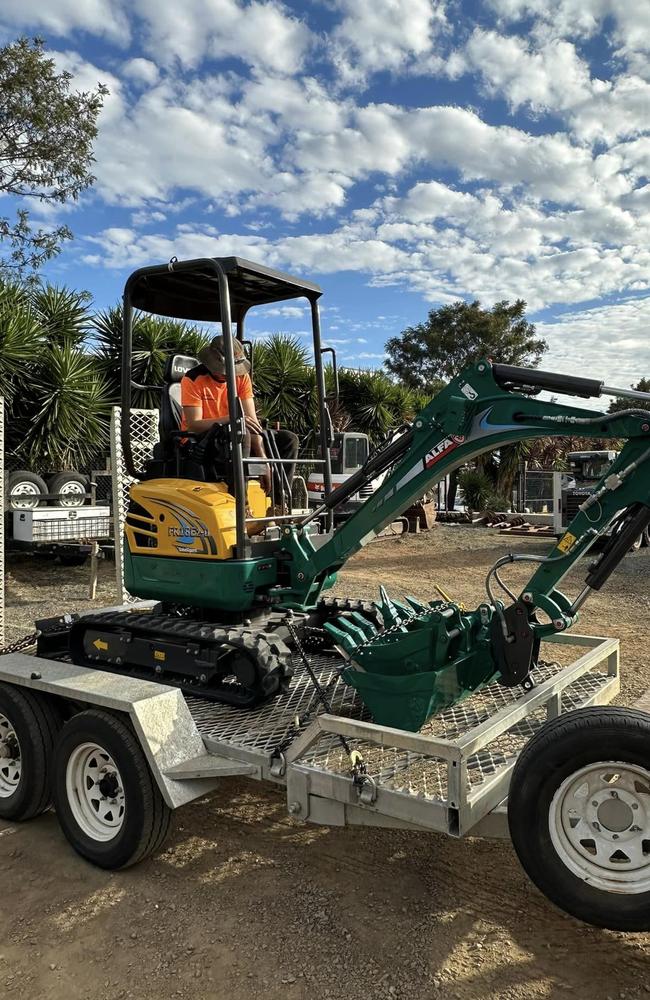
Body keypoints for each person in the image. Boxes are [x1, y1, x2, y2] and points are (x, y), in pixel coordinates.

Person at [180, 335, 298, 496]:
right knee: (240, 434)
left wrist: (264, 460)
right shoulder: (193, 379)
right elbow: (194, 424)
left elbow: (251, 421)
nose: (228, 375)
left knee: (288, 439)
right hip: (200, 441)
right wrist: (231, 418)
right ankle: (241, 504)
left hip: (234, 434)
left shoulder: (242, 378)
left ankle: (277, 504)